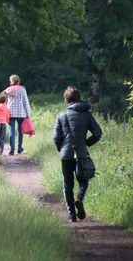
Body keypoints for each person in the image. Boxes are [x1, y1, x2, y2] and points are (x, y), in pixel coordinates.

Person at [52, 86, 102, 222]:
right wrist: (86, 143)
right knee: (84, 180)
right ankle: (79, 198)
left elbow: (56, 137)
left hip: (66, 155)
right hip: (81, 154)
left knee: (67, 184)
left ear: (67, 101)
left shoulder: (62, 116)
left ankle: (71, 214)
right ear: (79, 99)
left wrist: (61, 148)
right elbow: (98, 133)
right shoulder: (87, 114)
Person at [1, 74, 31, 155]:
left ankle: (12, 149)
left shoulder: (7, 90)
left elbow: (3, 100)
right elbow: (26, 102)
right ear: (18, 81)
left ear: (11, 81)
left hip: (10, 113)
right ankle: (20, 148)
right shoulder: (22, 89)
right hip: (21, 113)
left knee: (11, 131)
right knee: (20, 131)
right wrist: (28, 113)